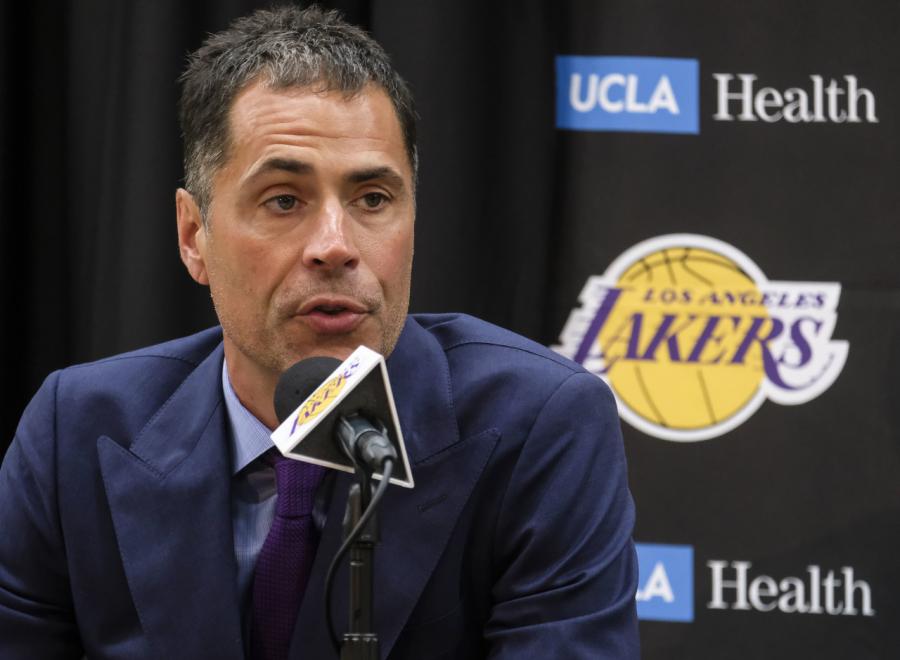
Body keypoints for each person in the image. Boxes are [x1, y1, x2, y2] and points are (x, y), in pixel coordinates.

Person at [0, 6, 639, 659]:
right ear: (194, 235)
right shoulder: (77, 430)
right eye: (284, 200)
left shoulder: (540, 425)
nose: (335, 246)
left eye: (373, 200)